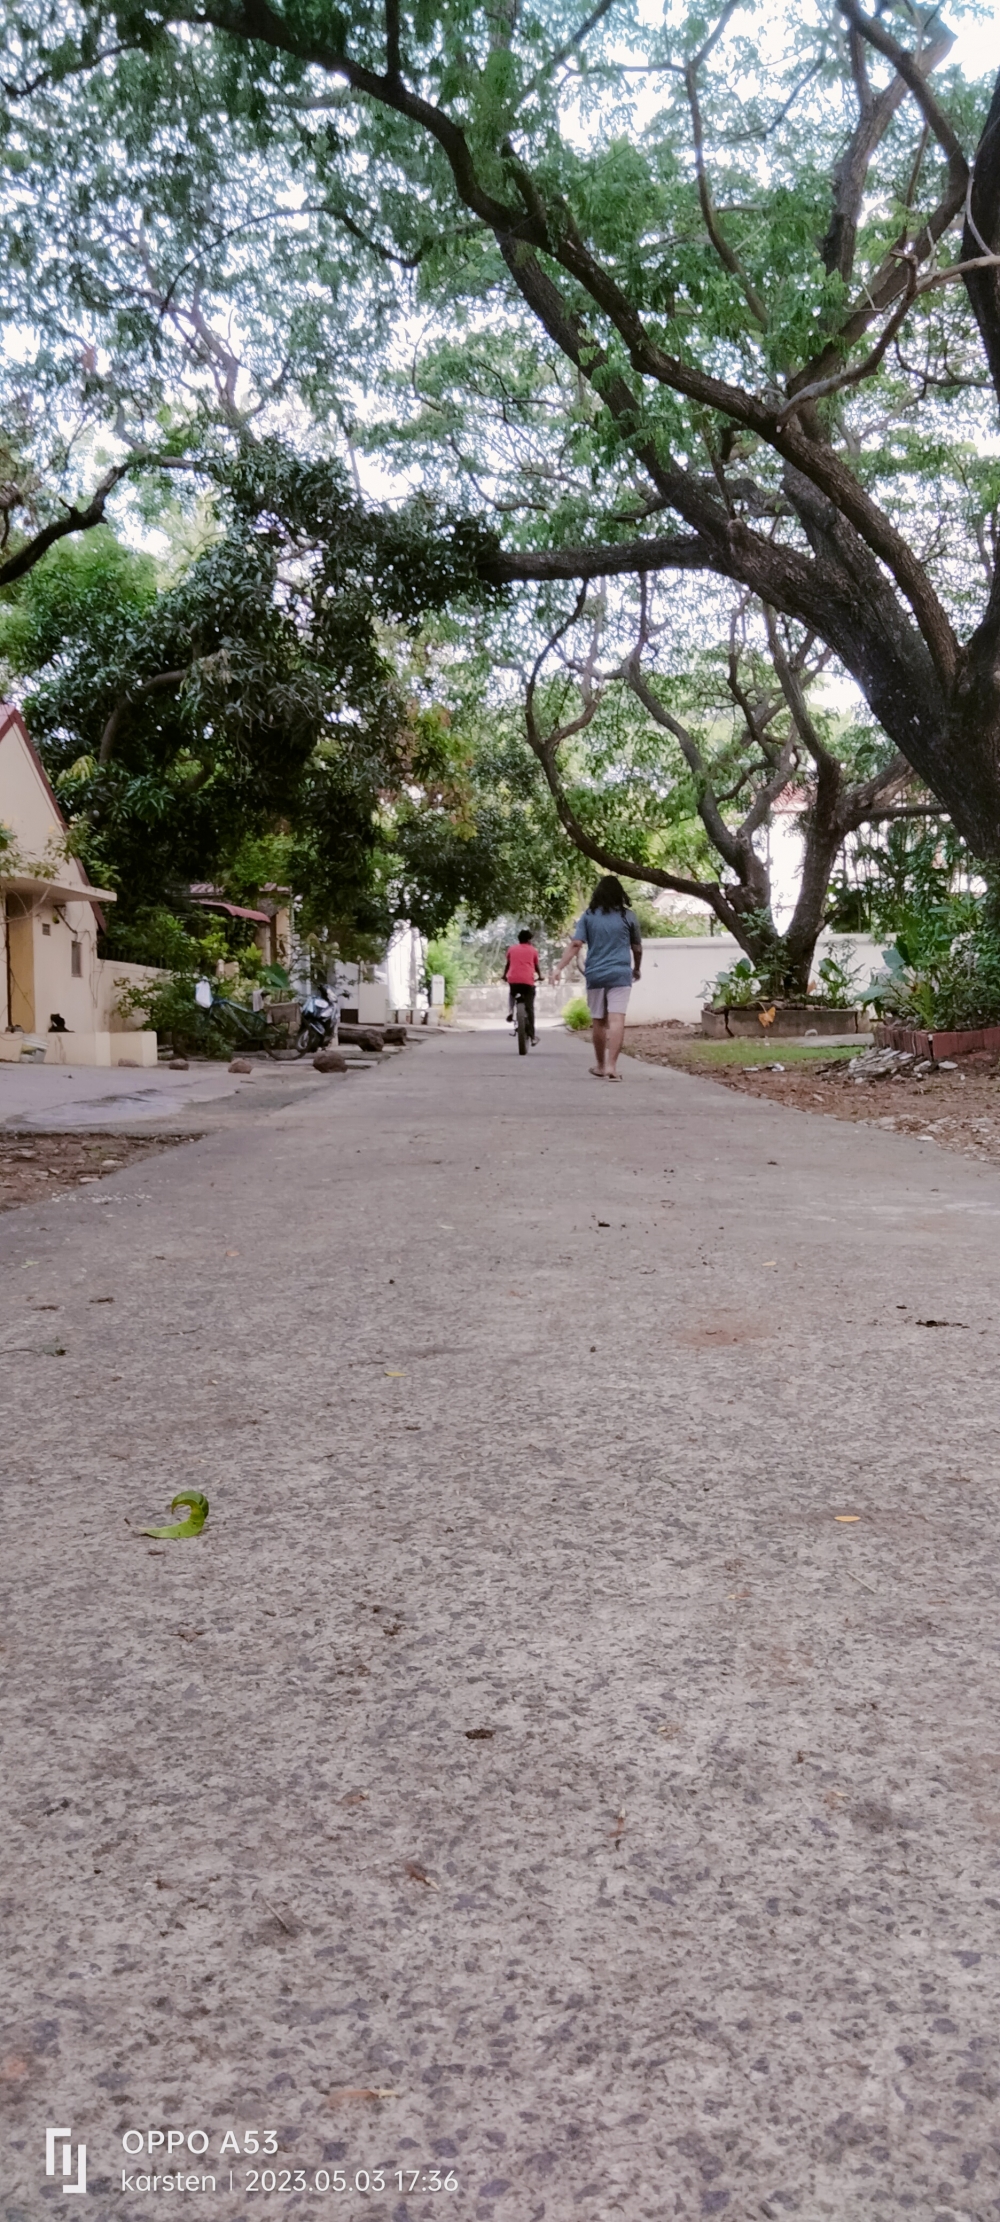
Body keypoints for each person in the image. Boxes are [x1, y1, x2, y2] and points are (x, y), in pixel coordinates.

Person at [554, 877, 642, 1080]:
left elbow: (576, 944)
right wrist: (636, 969)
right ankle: (612, 1066)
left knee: (599, 1022)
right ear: (621, 894)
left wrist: (559, 967)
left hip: (596, 974)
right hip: (620, 974)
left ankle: (601, 1065)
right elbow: (636, 947)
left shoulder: (589, 916)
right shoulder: (628, 916)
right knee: (617, 1018)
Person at [503, 928, 543, 1042]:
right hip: (527, 982)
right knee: (529, 1008)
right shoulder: (533, 950)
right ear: (529, 939)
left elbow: (508, 965)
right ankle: (532, 1036)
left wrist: (504, 975)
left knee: (512, 993)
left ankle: (510, 1011)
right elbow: (536, 967)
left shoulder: (511, 949)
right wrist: (540, 976)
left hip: (513, 980)